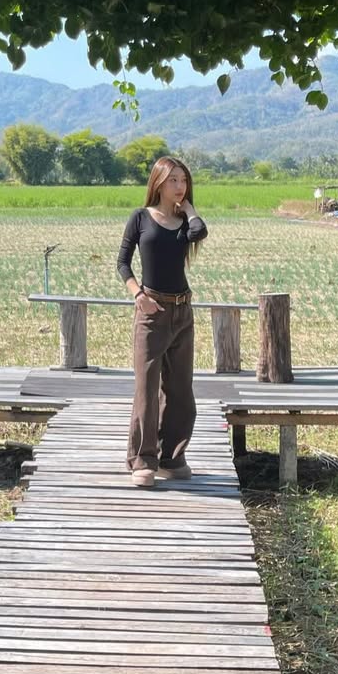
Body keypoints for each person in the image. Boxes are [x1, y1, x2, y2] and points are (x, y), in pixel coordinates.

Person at [116, 156, 209, 488]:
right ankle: (143, 460)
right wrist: (138, 295)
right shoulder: (140, 218)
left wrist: (189, 208)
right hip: (151, 311)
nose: (180, 186)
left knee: (180, 389)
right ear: (158, 182)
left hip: (182, 311)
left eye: (184, 180)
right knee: (147, 389)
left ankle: (172, 457)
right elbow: (122, 262)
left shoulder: (186, 223)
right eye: (173, 180)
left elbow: (200, 231)